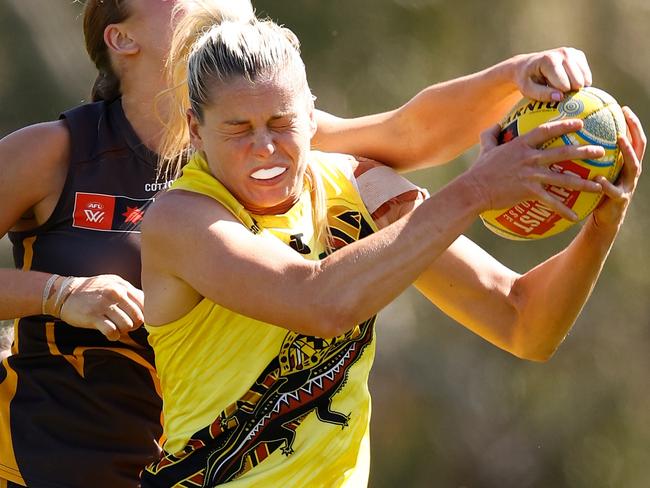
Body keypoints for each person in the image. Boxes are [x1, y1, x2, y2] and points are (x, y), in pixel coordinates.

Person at [0, 0, 616, 486]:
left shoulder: (340, 177)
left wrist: (596, 204)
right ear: (122, 38)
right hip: (50, 459)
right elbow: (321, 302)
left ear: (308, 112)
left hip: (154, 458)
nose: (265, 148)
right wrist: (55, 293)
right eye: (238, 129)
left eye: (284, 125)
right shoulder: (161, 206)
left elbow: (521, 319)